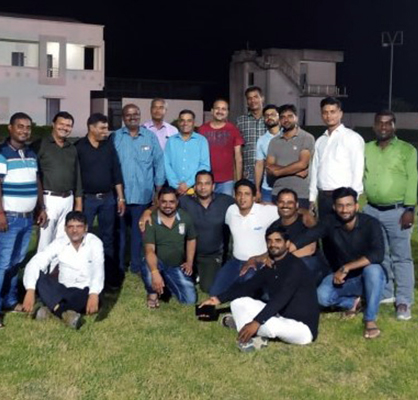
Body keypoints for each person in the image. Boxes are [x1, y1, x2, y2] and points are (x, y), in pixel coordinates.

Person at [200, 224, 319, 352]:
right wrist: (217, 299)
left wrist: (256, 322)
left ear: (287, 244)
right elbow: (248, 286)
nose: (273, 244)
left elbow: (281, 298)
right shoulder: (271, 265)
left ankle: (248, 329)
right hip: (279, 316)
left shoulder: (295, 267)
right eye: (269, 241)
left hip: (302, 329)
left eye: (278, 240)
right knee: (237, 302)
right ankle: (247, 327)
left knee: (272, 326)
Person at [291, 187, 385, 339]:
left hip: (366, 276)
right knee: (321, 297)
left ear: (356, 206)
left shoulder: (370, 223)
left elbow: (378, 254)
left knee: (374, 269)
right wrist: (283, 250)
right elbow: (308, 236)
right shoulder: (330, 222)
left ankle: (370, 320)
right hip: (342, 278)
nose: (344, 210)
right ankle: (353, 303)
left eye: (348, 205)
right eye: (340, 205)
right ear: (334, 207)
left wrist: (346, 267)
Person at [140, 170, 235, 293]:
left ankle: (200, 274)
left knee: (208, 287)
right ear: (194, 186)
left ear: (213, 186)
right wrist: (147, 211)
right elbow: (166, 203)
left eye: (207, 183)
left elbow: (243, 206)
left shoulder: (225, 201)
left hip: (210, 256)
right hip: (186, 254)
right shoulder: (185, 201)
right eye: (199, 183)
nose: (203, 187)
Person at [363, 110, 417, 320]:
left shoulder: (407, 150)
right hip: (372, 209)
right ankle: (386, 293)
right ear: (374, 126)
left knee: (401, 257)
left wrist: (410, 209)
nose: (383, 127)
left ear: (394, 126)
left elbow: (413, 179)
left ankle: (403, 301)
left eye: (388, 123)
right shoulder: (367, 148)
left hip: (398, 211)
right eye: (380, 123)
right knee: (381, 254)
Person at [0, 113, 47, 327]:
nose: (24, 131)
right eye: (20, 126)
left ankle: (9, 301)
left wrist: (40, 207)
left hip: (27, 219)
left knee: (16, 262)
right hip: (9, 218)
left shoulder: (30, 153)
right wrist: (1, 214)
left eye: (28, 127)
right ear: (10, 128)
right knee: (3, 263)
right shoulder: (2, 153)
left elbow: (36, 181)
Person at [22, 211, 104, 330]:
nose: (74, 230)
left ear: (86, 228)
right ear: (65, 229)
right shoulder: (60, 242)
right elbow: (36, 261)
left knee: (83, 297)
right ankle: (64, 313)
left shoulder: (95, 243)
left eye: (79, 226)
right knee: (39, 277)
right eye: (71, 227)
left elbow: (98, 269)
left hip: (83, 291)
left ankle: (50, 308)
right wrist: (30, 290)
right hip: (62, 289)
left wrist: (94, 294)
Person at [112, 104, 165, 283]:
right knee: (120, 233)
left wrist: (158, 190)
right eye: (128, 114)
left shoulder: (150, 137)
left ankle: (135, 265)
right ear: (123, 118)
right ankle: (119, 266)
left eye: (136, 114)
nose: (132, 117)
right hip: (120, 196)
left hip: (143, 195)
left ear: (140, 115)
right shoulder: (116, 137)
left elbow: (159, 163)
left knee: (138, 233)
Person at [75, 113, 126, 288]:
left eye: (107, 128)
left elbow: (116, 172)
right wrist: (78, 202)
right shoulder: (79, 147)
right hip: (87, 200)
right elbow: (76, 177)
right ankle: (83, 274)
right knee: (82, 237)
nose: (106, 131)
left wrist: (120, 197)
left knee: (108, 238)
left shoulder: (108, 147)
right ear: (91, 128)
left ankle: (109, 276)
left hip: (108, 199)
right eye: (102, 128)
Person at [242, 189, 329, 286]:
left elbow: (310, 249)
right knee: (253, 274)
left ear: (296, 205)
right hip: (285, 268)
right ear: (277, 204)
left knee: (299, 265)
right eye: (281, 202)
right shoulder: (274, 227)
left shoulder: (304, 220)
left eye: (289, 202)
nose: (285, 205)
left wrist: (280, 261)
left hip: (310, 265)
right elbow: (273, 251)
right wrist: (254, 259)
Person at [209, 179, 279, 296]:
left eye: (247, 194)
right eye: (239, 194)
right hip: (236, 261)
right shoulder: (231, 211)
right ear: (235, 196)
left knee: (248, 287)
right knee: (215, 292)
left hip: (258, 261)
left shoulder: (265, 211)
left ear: (254, 197)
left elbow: (287, 212)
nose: (242, 198)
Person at [32, 111, 83, 251]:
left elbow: (77, 175)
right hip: (48, 199)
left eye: (68, 125)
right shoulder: (40, 145)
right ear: (53, 124)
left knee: (62, 240)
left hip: (68, 199)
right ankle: (42, 265)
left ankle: (57, 265)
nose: (65, 128)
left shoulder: (71, 148)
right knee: (45, 240)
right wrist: (39, 205)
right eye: (61, 124)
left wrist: (78, 203)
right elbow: (33, 174)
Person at [309, 97, 364, 218]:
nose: (329, 116)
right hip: (323, 197)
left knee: (342, 229)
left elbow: (358, 169)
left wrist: (353, 198)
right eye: (325, 112)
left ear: (340, 113)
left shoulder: (352, 138)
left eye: (332, 112)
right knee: (325, 229)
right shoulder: (320, 141)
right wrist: (312, 198)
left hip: (343, 197)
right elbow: (315, 170)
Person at [143, 186, 197, 307]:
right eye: (164, 202)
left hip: (176, 265)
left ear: (177, 202)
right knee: (147, 264)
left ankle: (166, 283)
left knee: (189, 300)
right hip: (157, 263)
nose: (168, 205)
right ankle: (152, 293)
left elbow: (191, 239)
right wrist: (155, 272)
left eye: (171, 202)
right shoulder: (151, 220)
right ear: (158, 202)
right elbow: (149, 249)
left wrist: (189, 261)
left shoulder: (185, 217)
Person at [266, 104, 315, 208]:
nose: (286, 120)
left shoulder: (306, 138)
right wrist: (295, 171)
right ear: (279, 120)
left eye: (290, 116)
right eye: (283, 117)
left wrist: (278, 172)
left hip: (300, 193)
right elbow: (269, 167)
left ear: (296, 118)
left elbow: (302, 164)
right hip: (278, 192)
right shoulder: (274, 141)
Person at [199, 99, 244, 195]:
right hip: (206, 179)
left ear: (227, 112)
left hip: (227, 181)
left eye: (223, 109)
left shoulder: (233, 130)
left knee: (225, 204)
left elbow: (238, 157)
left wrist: (238, 182)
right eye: (217, 108)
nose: (220, 111)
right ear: (212, 111)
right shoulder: (202, 129)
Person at [164, 110, 210, 195]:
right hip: (174, 189)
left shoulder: (202, 141)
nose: (185, 123)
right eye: (182, 120)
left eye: (189, 121)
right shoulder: (171, 141)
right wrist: (176, 185)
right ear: (178, 122)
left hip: (195, 188)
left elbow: (205, 165)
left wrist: (188, 184)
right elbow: (166, 164)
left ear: (193, 123)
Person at [237, 86, 266, 182]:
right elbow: (238, 149)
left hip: (268, 173)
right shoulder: (241, 121)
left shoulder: (270, 119)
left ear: (262, 98)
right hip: (248, 173)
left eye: (255, 97)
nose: (253, 100)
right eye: (249, 98)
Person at [254, 104, 281, 202]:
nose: (269, 117)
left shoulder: (287, 136)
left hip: (285, 186)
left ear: (279, 116)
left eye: (273, 114)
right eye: (266, 115)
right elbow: (259, 165)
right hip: (267, 188)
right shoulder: (261, 140)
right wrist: (257, 189)